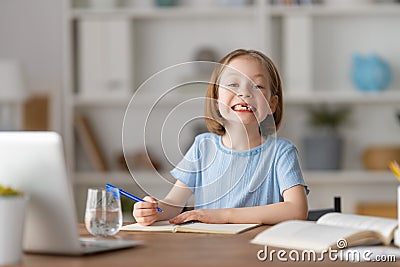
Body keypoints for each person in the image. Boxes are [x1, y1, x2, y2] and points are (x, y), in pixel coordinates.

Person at [133, 49, 309, 226]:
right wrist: (153, 211)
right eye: (233, 84)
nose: (245, 93)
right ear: (216, 99)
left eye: (257, 86)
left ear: (272, 104)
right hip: (210, 248)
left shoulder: (281, 152)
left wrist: (224, 216)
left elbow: (297, 209)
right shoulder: (203, 146)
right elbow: (173, 204)